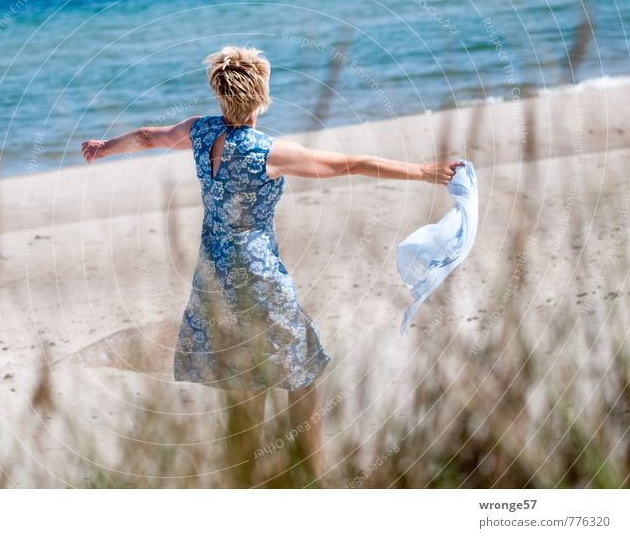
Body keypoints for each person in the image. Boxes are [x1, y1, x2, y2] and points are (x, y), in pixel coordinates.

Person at [82, 46, 461, 486]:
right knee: (302, 364)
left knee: (244, 373)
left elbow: (149, 136)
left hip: (214, 271)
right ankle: (310, 469)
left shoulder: (200, 131)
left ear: (219, 94)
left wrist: (103, 148)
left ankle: (250, 474)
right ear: (261, 94)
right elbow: (352, 164)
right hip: (258, 272)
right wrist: (425, 171)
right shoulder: (270, 152)